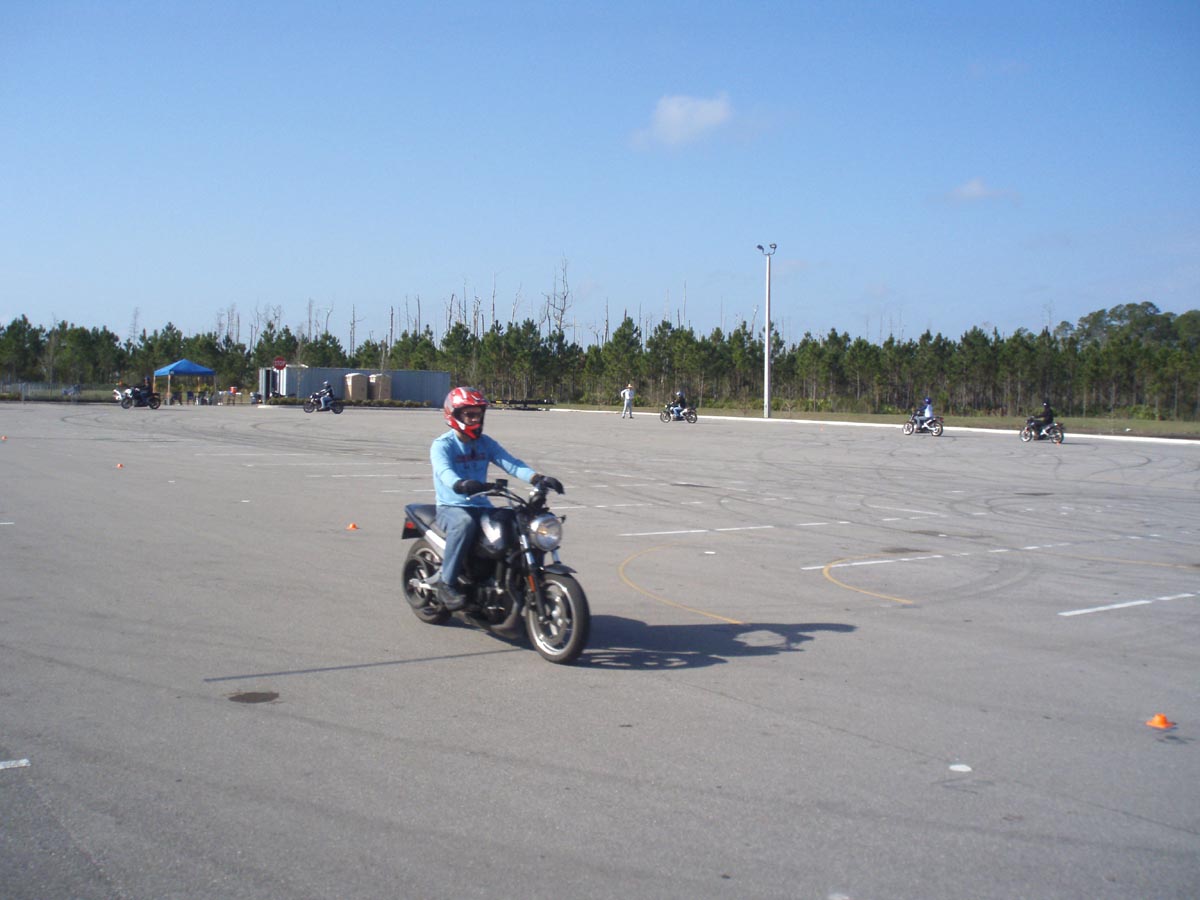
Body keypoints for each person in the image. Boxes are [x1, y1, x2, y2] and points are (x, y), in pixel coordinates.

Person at [431, 387, 564, 611]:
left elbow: (511, 463)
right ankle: (447, 583)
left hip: (482, 505)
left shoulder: (485, 443)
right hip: (451, 507)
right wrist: (460, 484)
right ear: (454, 415)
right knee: (464, 524)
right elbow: (444, 472)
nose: (476, 419)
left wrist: (537, 478)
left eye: (479, 414)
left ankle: (513, 581)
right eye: (470, 415)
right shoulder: (443, 445)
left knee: (518, 523)